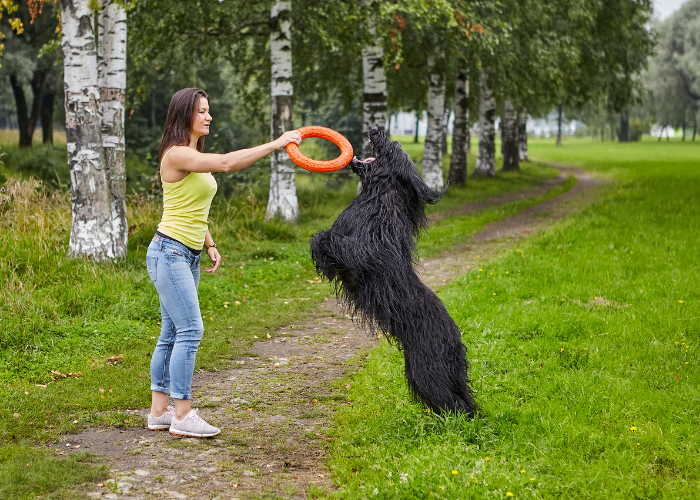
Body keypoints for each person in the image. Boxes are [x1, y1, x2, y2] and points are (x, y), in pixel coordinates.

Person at [145, 88, 301, 437]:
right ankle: (182, 414)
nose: (209, 116)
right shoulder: (176, 155)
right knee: (190, 330)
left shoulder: (190, 155)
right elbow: (229, 163)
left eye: (209, 110)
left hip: (187, 252)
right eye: (202, 111)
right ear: (185, 115)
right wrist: (276, 144)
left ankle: (159, 412)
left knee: (172, 332)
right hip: (168, 252)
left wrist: (209, 242)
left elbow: (188, 206)